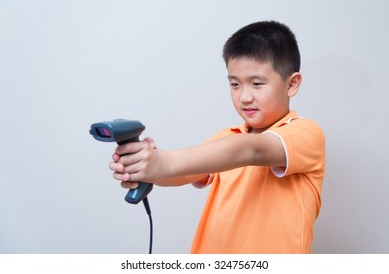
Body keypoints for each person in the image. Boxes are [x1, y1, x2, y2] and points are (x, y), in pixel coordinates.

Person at [109, 20, 326, 254]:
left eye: (256, 84)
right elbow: (182, 171)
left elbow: (250, 150)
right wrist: (148, 167)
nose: (244, 97)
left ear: (292, 84)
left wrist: (163, 162)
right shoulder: (228, 137)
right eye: (234, 84)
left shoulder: (306, 133)